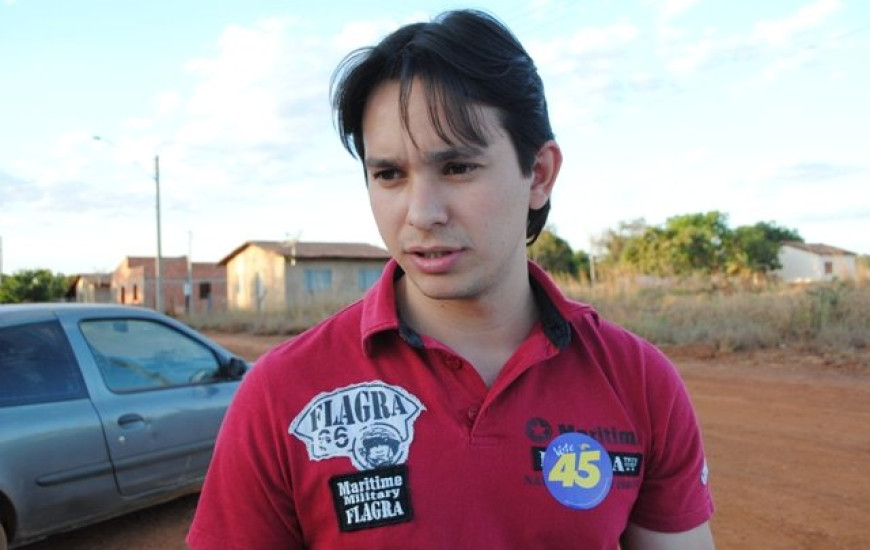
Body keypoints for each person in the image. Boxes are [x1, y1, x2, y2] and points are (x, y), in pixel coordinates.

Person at [187, 9, 715, 550]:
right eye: (389, 174)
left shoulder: (638, 381)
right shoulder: (280, 394)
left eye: (458, 167)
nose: (421, 213)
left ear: (538, 174)